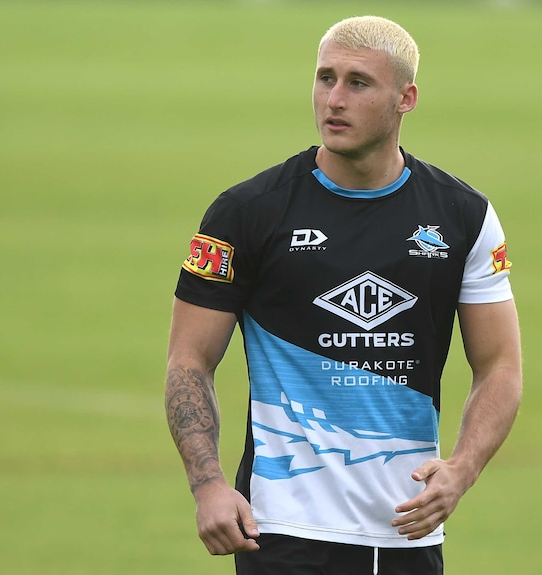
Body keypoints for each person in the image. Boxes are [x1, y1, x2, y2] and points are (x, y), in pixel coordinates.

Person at [164, 15, 522, 575]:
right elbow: (189, 360)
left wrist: (463, 468)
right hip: (282, 530)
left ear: (406, 98)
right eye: (325, 77)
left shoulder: (463, 216)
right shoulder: (247, 213)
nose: (333, 98)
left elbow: (500, 365)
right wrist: (207, 484)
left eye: (358, 83)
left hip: (408, 533)